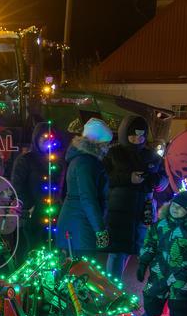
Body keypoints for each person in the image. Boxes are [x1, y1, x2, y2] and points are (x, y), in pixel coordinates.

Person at [103, 114, 165, 278]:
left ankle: (116, 289)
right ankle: (113, 291)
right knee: (117, 252)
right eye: (133, 135)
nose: (137, 139)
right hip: (118, 212)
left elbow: (162, 176)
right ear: (124, 133)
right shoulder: (113, 154)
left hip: (141, 212)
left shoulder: (152, 155)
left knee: (131, 249)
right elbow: (104, 179)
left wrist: (157, 181)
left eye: (141, 135)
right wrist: (127, 178)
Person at [55, 118, 113, 258]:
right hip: (80, 227)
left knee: (78, 271)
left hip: (77, 224)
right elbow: (88, 198)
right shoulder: (85, 162)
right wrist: (100, 230)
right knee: (83, 273)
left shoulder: (82, 159)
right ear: (97, 141)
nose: (107, 146)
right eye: (105, 143)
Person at [11, 122, 64, 256]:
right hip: (33, 214)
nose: (48, 142)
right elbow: (17, 186)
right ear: (36, 139)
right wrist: (29, 206)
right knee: (33, 250)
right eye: (44, 138)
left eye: (51, 139)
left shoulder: (57, 161)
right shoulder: (26, 160)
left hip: (53, 213)